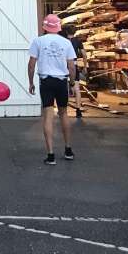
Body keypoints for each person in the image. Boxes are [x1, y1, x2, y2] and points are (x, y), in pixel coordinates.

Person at [28, 14, 76, 165]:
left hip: (46, 81)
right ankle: (68, 149)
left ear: (45, 26)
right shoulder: (66, 42)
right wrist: (72, 83)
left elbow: (31, 64)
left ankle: (50, 155)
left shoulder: (38, 41)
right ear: (58, 26)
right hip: (62, 81)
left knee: (48, 114)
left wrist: (31, 82)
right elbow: (71, 66)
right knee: (63, 113)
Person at [62, 28, 86, 118]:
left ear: (66, 31)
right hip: (74, 65)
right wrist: (85, 66)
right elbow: (84, 54)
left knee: (64, 88)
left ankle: (63, 110)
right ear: (75, 32)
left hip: (64, 65)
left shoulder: (63, 41)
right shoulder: (78, 41)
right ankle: (78, 110)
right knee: (76, 88)